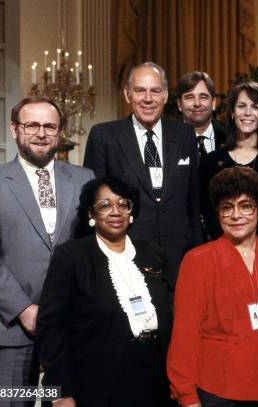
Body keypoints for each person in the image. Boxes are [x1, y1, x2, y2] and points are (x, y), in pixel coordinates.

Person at [36, 177, 173, 407]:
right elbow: (51, 327)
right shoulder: (71, 257)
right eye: (105, 205)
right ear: (91, 213)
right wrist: (61, 392)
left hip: (155, 380)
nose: (115, 211)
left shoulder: (154, 254)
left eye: (123, 204)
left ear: (131, 211)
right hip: (96, 385)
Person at [0, 96, 93, 402]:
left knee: (62, 401)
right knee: (14, 400)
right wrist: (23, 309)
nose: (41, 133)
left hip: (69, 325)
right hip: (12, 328)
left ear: (59, 130)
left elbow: (90, 248)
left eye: (49, 126)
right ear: (14, 129)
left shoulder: (83, 179)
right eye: (32, 125)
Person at [167, 167, 258, 407]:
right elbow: (185, 334)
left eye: (245, 206)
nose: (236, 215)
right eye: (227, 207)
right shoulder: (198, 260)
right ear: (218, 214)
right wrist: (187, 397)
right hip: (215, 391)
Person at [84, 62, 203, 286]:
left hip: (180, 260)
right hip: (125, 258)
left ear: (165, 95)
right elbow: (93, 205)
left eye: (155, 90)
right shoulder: (104, 136)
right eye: (140, 90)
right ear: (127, 94)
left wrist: (197, 252)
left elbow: (194, 202)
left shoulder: (185, 134)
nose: (148, 98)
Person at [200, 82, 258, 240]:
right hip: (220, 249)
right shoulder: (212, 161)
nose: (248, 113)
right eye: (241, 106)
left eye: (255, 107)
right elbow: (205, 211)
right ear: (232, 113)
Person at [176, 70, 226, 156]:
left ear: (213, 103)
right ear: (179, 104)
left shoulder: (230, 139)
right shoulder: (165, 139)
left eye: (203, 97)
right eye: (189, 97)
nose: (197, 103)